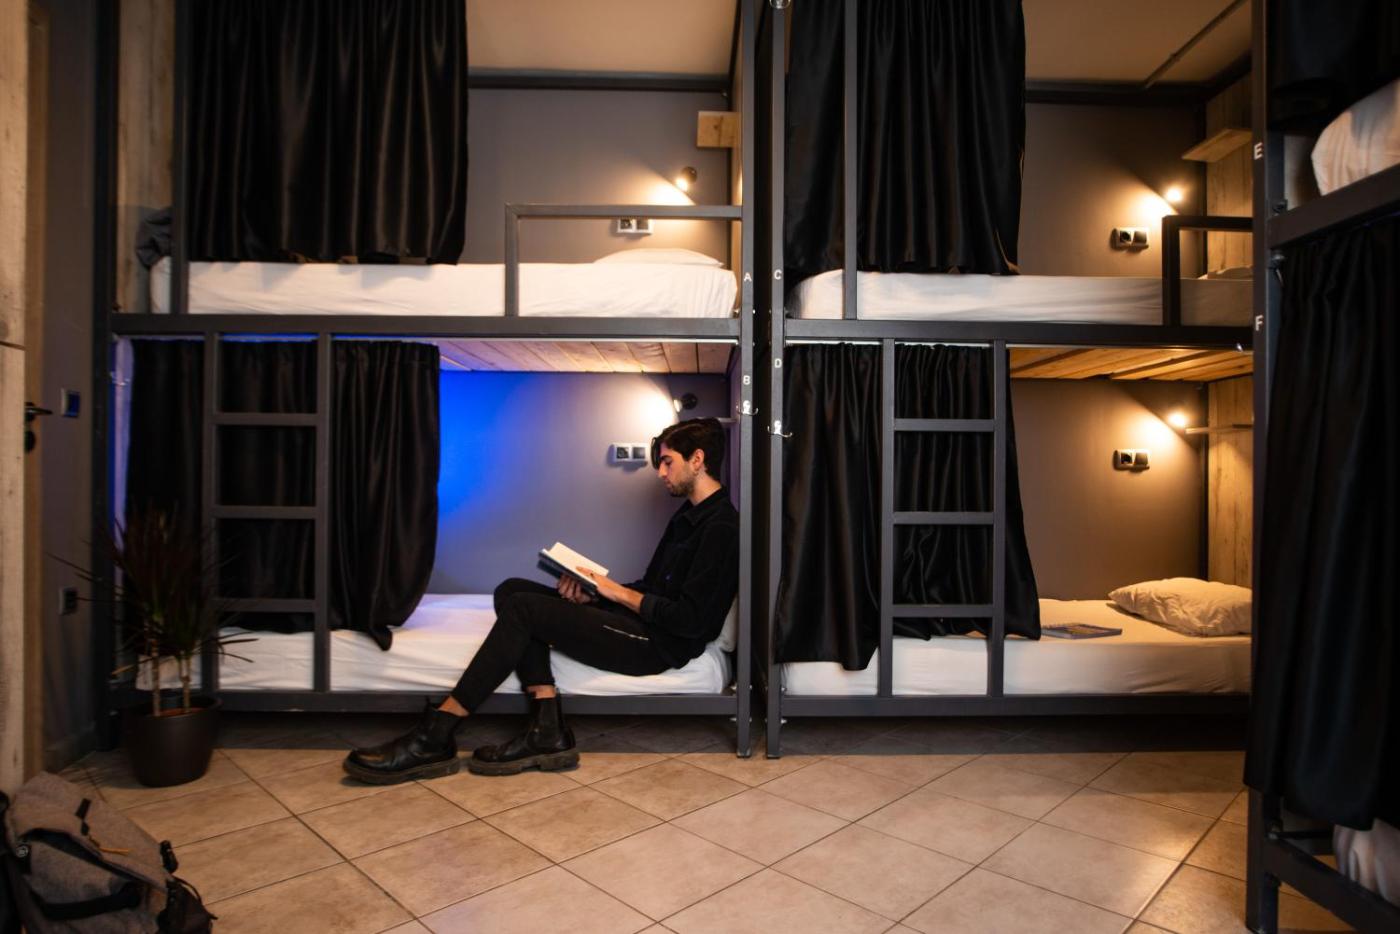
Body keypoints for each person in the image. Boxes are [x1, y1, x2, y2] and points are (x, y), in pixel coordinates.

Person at [343, 417, 739, 783]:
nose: (661, 472)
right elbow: (651, 585)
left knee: (524, 610)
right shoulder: (685, 517)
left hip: (658, 644)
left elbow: (690, 621)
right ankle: (546, 726)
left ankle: (437, 732)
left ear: (697, 460)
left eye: (668, 462)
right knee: (512, 590)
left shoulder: (721, 527)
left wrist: (614, 592)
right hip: (643, 622)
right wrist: (593, 593)